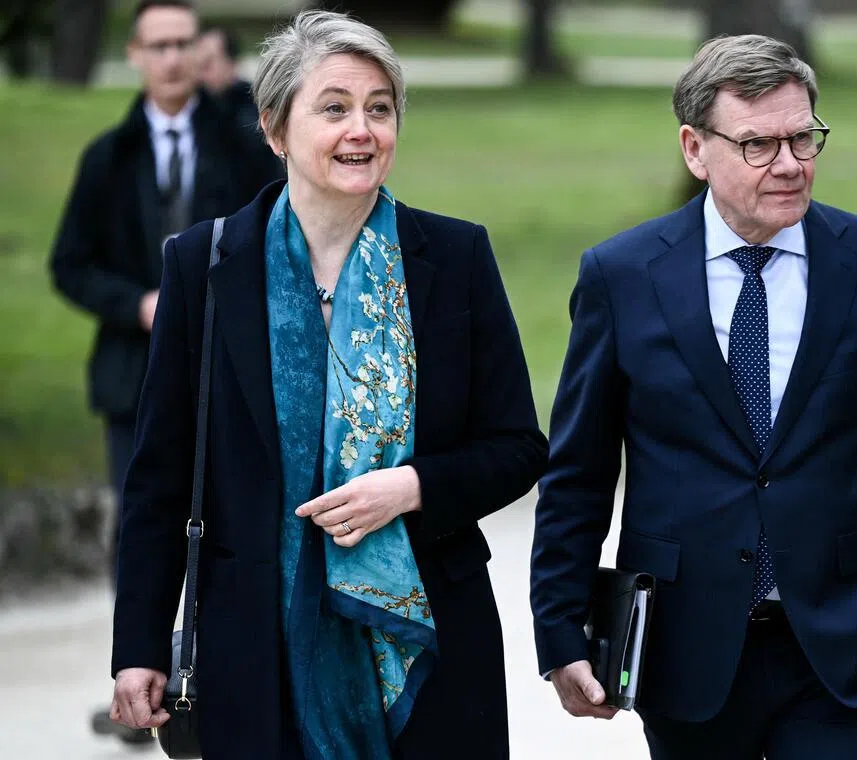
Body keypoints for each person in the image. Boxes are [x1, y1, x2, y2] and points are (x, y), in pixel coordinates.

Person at [108, 10, 547, 759]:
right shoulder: (202, 266)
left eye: (380, 108)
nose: (362, 131)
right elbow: (160, 477)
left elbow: (516, 447)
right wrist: (139, 646)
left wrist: (411, 488)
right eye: (335, 108)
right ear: (275, 128)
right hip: (254, 645)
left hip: (430, 645)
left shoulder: (455, 257)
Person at [530, 34, 857, 760]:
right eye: (757, 145)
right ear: (695, 149)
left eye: (802, 138)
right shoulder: (622, 276)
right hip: (686, 648)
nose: (789, 164)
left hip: (843, 645)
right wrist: (561, 631)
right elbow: (578, 472)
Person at [49, 0, 280, 744]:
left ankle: (212, 674)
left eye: (185, 43)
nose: (174, 58)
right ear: (136, 54)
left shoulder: (243, 146)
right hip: (133, 370)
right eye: (160, 45)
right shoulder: (107, 158)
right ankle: (145, 668)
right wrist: (138, 304)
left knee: (233, 522)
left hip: (231, 368)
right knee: (143, 518)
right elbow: (70, 264)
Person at [197, 23, 259, 134]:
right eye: (195, 65)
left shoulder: (253, 112)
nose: (198, 75)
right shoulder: (191, 106)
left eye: (206, 65)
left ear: (231, 65)